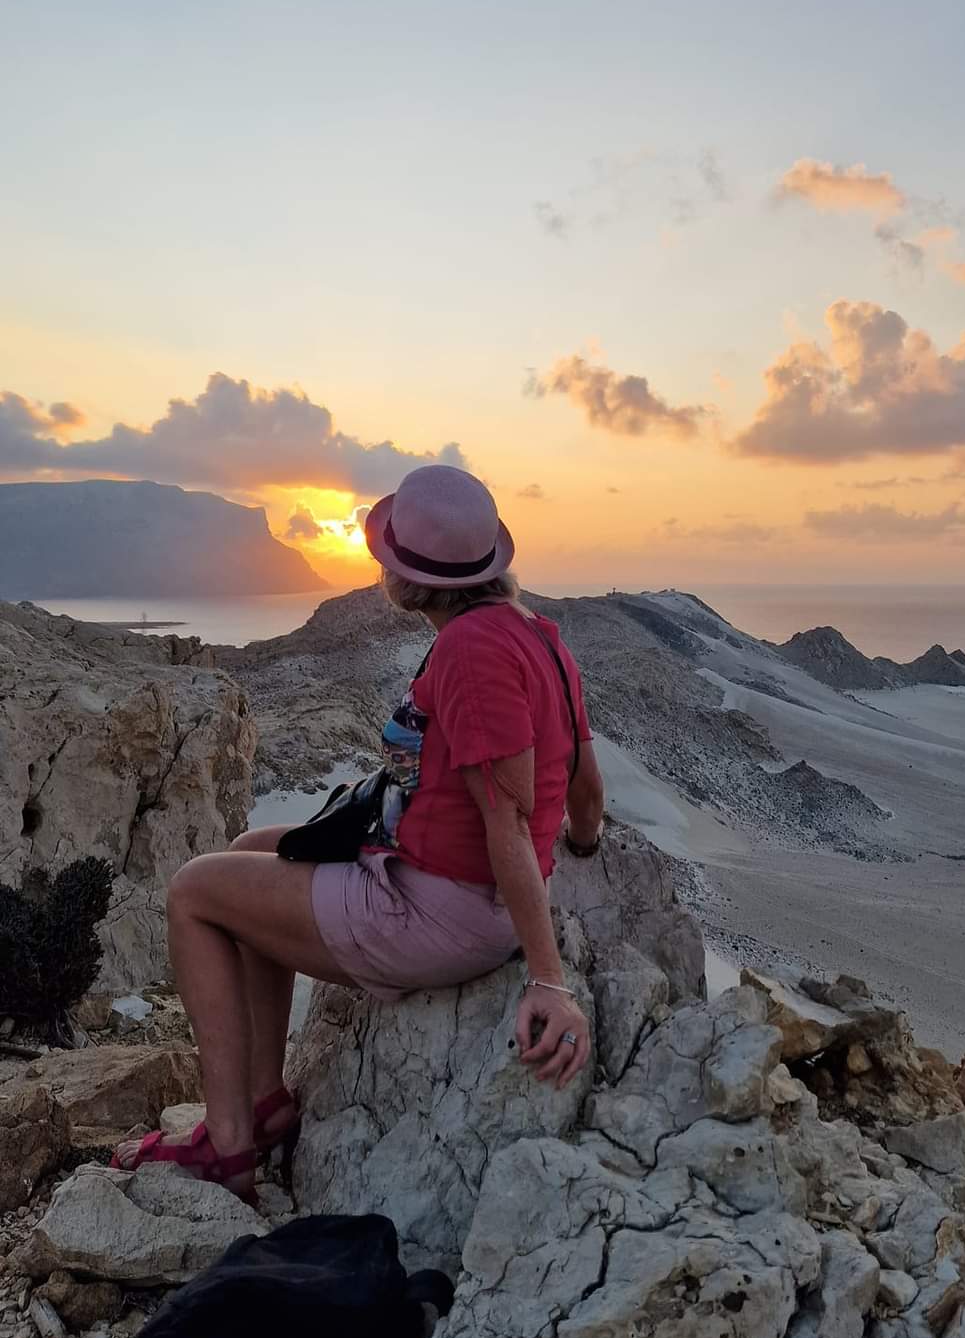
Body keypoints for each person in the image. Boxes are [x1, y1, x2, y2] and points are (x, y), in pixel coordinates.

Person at [113, 465, 605, 1204]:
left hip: (441, 909)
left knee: (192, 893)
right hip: (454, 888)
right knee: (252, 856)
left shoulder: (470, 653)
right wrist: (585, 846)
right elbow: (584, 788)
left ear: (409, 579)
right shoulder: (537, 636)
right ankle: (265, 1099)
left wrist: (548, 978)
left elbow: (504, 816)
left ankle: (227, 1148)